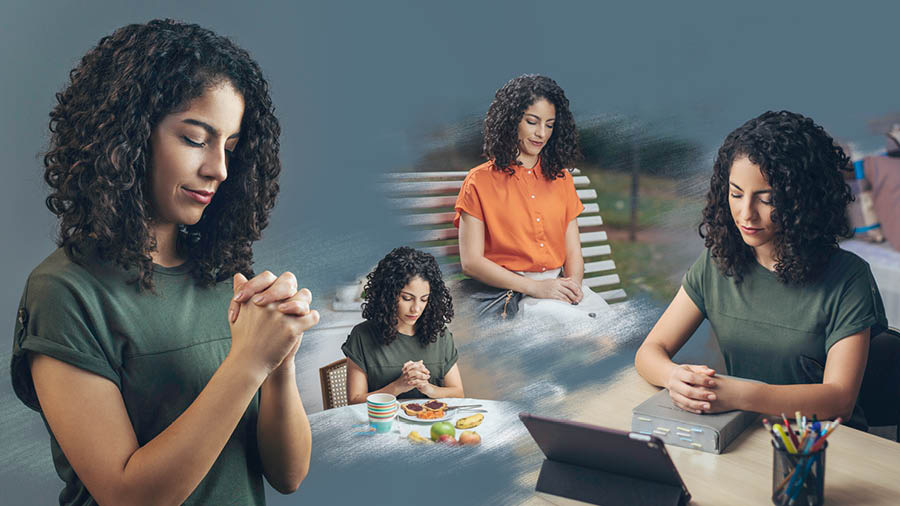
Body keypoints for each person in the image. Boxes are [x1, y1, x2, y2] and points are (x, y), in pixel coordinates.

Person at [11, 20, 319, 505]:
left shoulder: (224, 276)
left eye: (231, 148)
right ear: (128, 137)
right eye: (196, 138)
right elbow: (128, 496)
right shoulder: (65, 292)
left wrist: (279, 360)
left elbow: (288, 475)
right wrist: (249, 360)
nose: (218, 167)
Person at [634, 111, 887, 427]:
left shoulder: (849, 277)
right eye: (736, 193)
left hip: (823, 445)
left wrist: (738, 395)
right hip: (746, 434)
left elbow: (840, 400)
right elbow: (649, 352)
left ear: (803, 201)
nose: (746, 214)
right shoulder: (718, 263)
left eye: (766, 200)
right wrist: (675, 378)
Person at [454, 74, 609, 321]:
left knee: (609, 322)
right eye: (532, 122)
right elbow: (471, 262)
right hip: (512, 294)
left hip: (557, 290)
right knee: (584, 330)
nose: (541, 133)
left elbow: (573, 254)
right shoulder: (479, 181)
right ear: (512, 120)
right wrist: (537, 288)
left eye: (549, 125)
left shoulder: (561, 180)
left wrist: (572, 288)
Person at [342, 247, 464, 403]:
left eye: (424, 299)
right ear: (388, 295)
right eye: (407, 298)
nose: (416, 308)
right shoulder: (362, 335)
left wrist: (428, 388)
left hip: (431, 423)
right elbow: (354, 401)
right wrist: (398, 386)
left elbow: (458, 394)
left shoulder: (440, 334)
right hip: (382, 425)